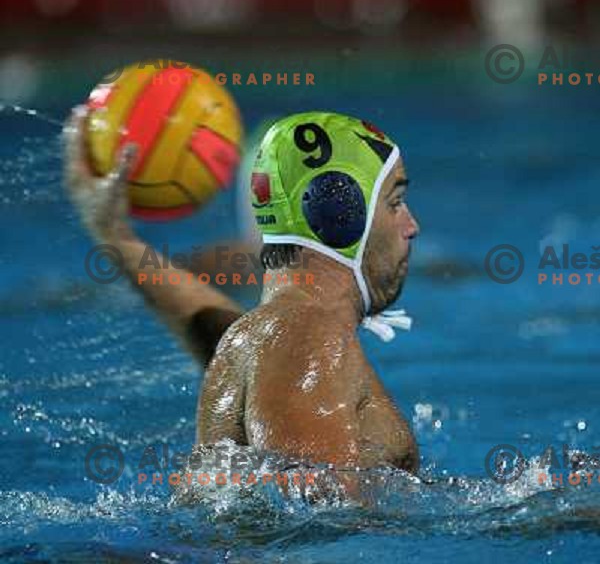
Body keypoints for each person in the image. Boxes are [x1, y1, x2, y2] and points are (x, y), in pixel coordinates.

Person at [64, 108, 420, 476]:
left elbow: (217, 330)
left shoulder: (277, 335)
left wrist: (117, 237)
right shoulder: (303, 335)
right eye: (394, 203)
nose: (411, 226)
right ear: (341, 215)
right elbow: (318, 515)